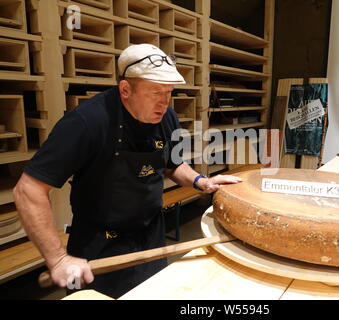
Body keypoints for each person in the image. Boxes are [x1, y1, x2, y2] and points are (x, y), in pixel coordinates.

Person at [13, 44, 242, 298]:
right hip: (100, 246)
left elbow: (173, 165)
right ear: (125, 89)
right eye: (155, 92)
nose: (164, 102)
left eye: (169, 92)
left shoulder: (167, 118)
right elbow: (28, 189)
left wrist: (201, 181)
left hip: (150, 236)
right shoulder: (87, 122)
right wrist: (57, 260)